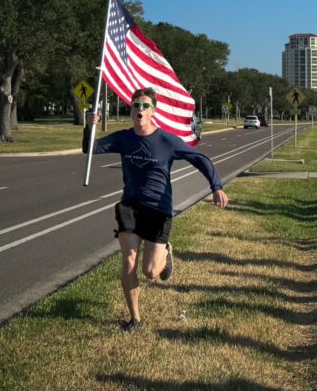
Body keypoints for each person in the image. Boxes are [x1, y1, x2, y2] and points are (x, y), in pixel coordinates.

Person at [83, 88, 229, 332]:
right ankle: (135, 320)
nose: (140, 110)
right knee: (128, 262)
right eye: (136, 105)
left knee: (150, 272)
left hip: (158, 209)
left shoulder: (166, 141)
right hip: (129, 206)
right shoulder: (123, 138)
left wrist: (216, 187)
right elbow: (91, 150)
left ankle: (166, 255)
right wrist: (90, 126)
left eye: (145, 106)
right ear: (131, 110)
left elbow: (200, 159)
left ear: (154, 111)